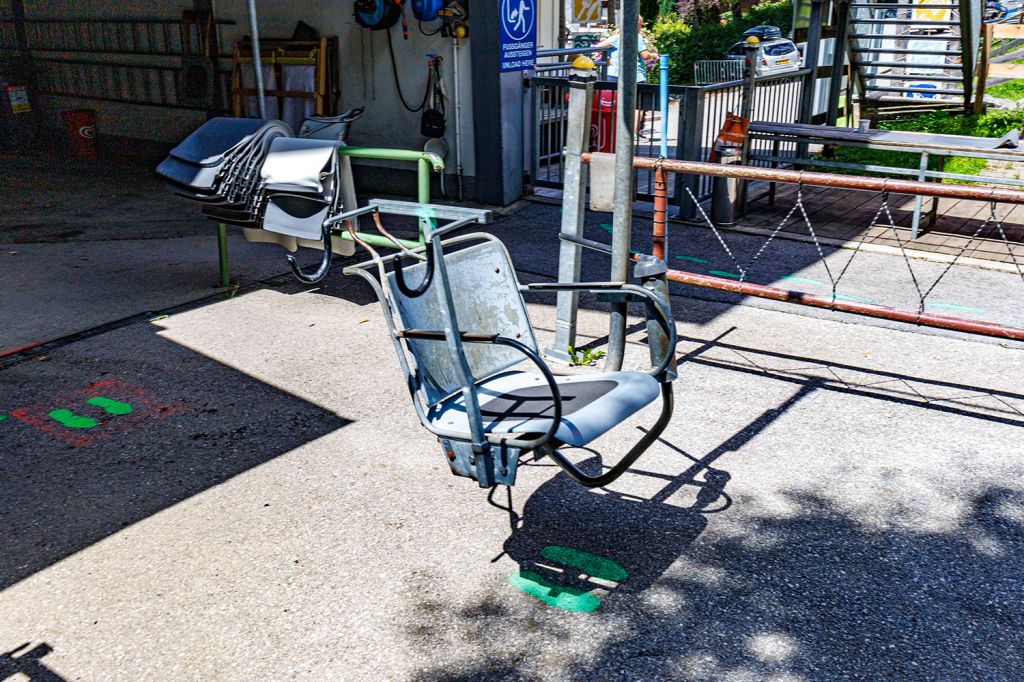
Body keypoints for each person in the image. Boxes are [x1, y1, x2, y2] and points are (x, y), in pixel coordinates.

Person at [594, 17, 658, 84]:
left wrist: (607, 59)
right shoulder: (636, 36)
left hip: (613, 75)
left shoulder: (616, 37)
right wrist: (654, 55)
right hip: (634, 77)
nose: (641, 27)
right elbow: (645, 56)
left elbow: (597, 47)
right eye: (641, 24)